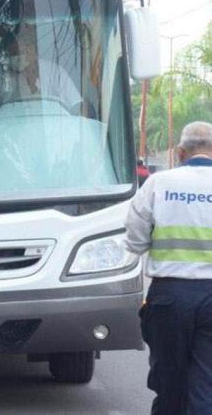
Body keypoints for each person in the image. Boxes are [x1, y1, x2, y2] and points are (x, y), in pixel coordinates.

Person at [125, 121, 212, 415]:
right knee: (207, 385)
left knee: (169, 382)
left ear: (179, 152)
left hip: (169, 297)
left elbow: (134, 239)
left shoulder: (159, 183)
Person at [0, 31, 82, 125]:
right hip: (12, 138)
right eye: (14, 54)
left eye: (23, 52)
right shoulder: (1, 77)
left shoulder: (55, 72)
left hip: (51, 140)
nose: (19, 57)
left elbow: (78, 108)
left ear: (34, 51)